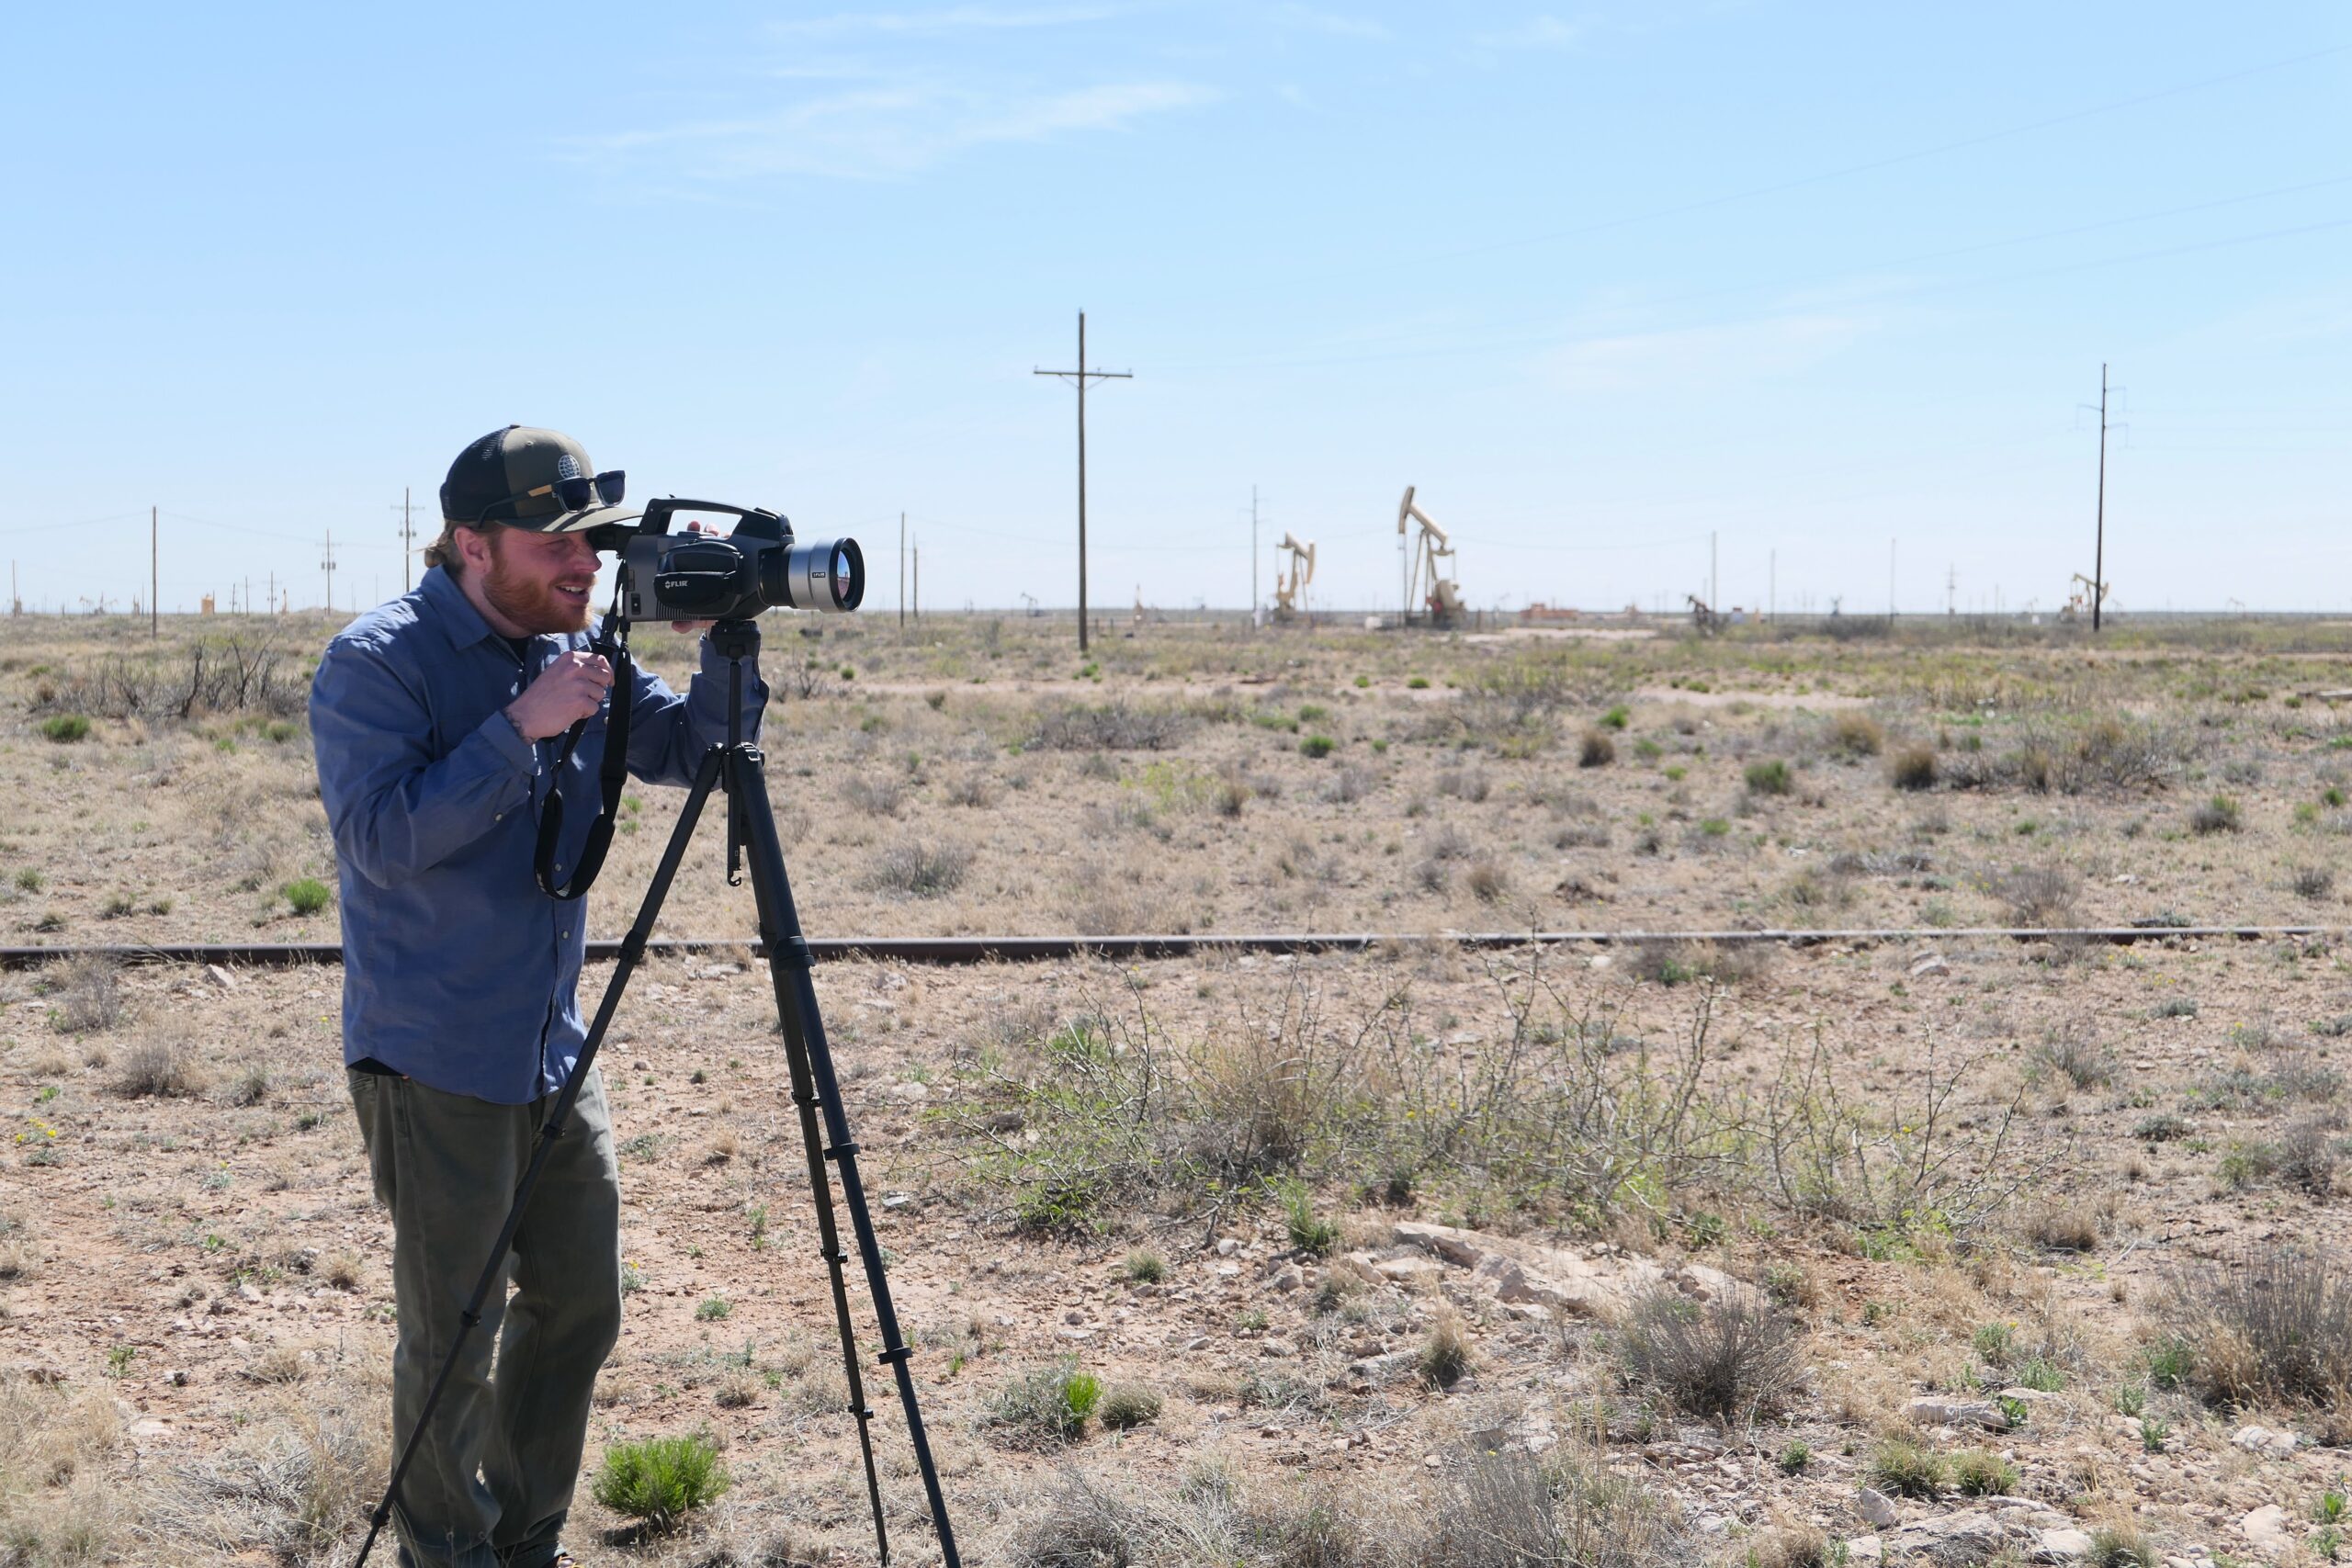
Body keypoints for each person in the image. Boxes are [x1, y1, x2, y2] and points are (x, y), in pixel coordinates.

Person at [311, 424, 769, 1568]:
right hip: (435, 1058)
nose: (586, 568)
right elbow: (381, 838)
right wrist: (519, 729)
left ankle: (526, 1542)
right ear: (472, 543)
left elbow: (696, 753)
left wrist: (725, 647)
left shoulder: (581, 649)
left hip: (556, 1051)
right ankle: (447, 1553)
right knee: (454, 1337)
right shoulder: (380, 661)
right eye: (558, 545)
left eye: (596, 548)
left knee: (577, 1308)